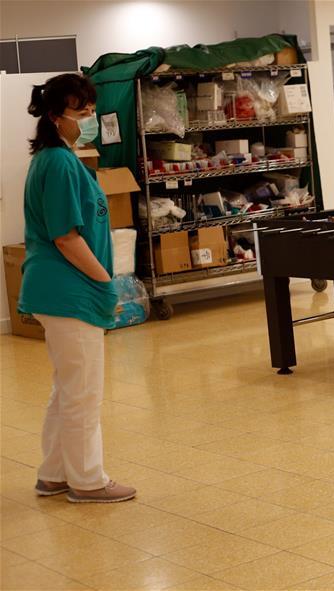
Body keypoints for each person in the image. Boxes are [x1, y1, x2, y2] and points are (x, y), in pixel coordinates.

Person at [19, 73, 136, 502]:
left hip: (60, 289)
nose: (89, 118)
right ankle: (88, 481)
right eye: (81, 111)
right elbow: (66, 237)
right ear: (56, 116)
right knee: (83, 393)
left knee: (68, 388)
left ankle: (54, 474)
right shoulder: (60, 163)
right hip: (70, 290)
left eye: (91, 109)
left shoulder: (55, 159)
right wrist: (106, 284)